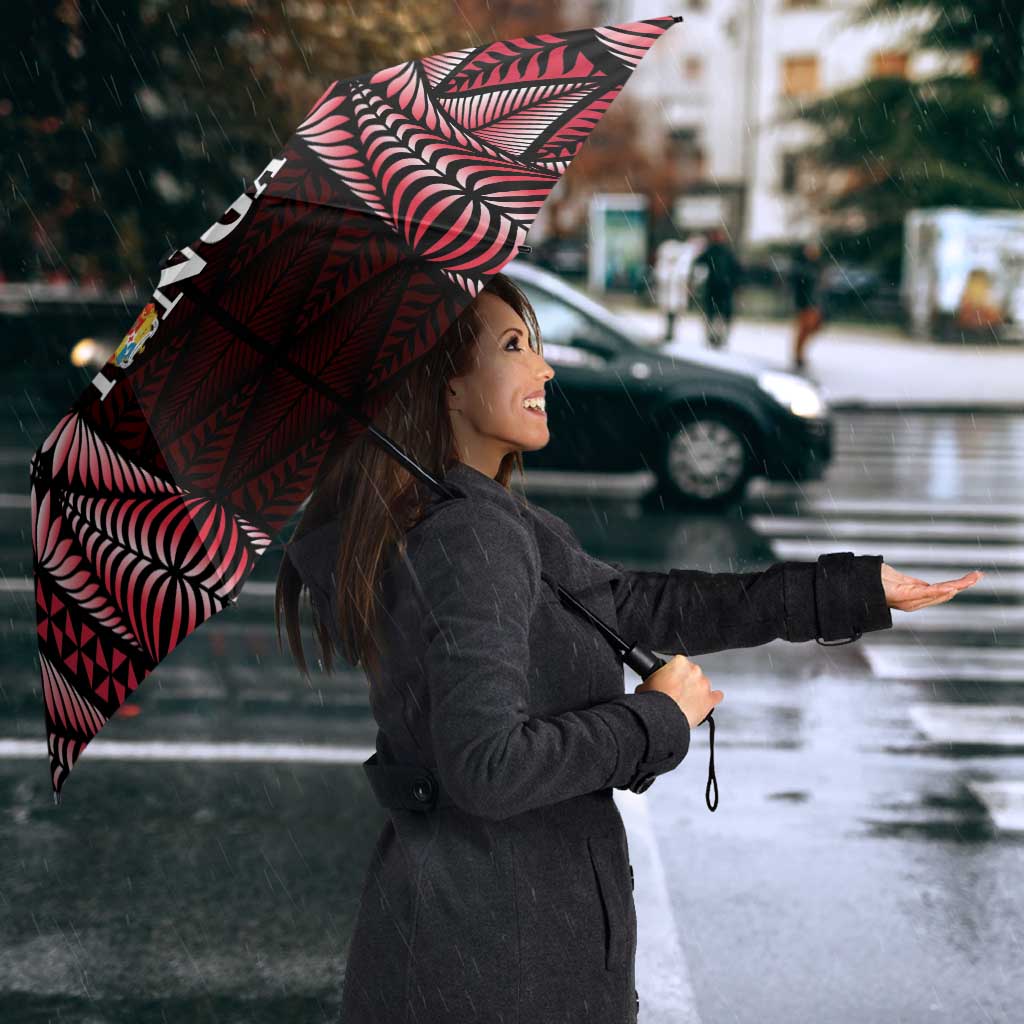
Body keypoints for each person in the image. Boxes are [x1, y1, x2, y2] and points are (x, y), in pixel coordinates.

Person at [276, 272, 972, 1024]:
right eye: (515, 346)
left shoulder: (473, 517)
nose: (544, 368)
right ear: (445, 386)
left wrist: (850, 591)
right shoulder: (469, 536)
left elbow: (640, 605)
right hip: (498, 964)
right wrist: (656, 719)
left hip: (475, 945)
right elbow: (487, 768)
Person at [692, 226, 742, 349]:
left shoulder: (725, 252)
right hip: (715, 288)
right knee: (713, 314)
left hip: (723, 288)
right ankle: (713, 337)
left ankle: (719, 337)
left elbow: (736, 270)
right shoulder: (712, 251)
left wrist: (735, 284)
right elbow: (698, 264)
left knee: (720, 315)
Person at [790, 239, 826, 371]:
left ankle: (800, 354)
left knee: (812, 328)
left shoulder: (817, 266)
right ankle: (798, 355)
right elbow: (799, 286)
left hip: (814, 303)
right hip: (805, 303)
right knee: (804, 329)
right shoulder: (802, 267)